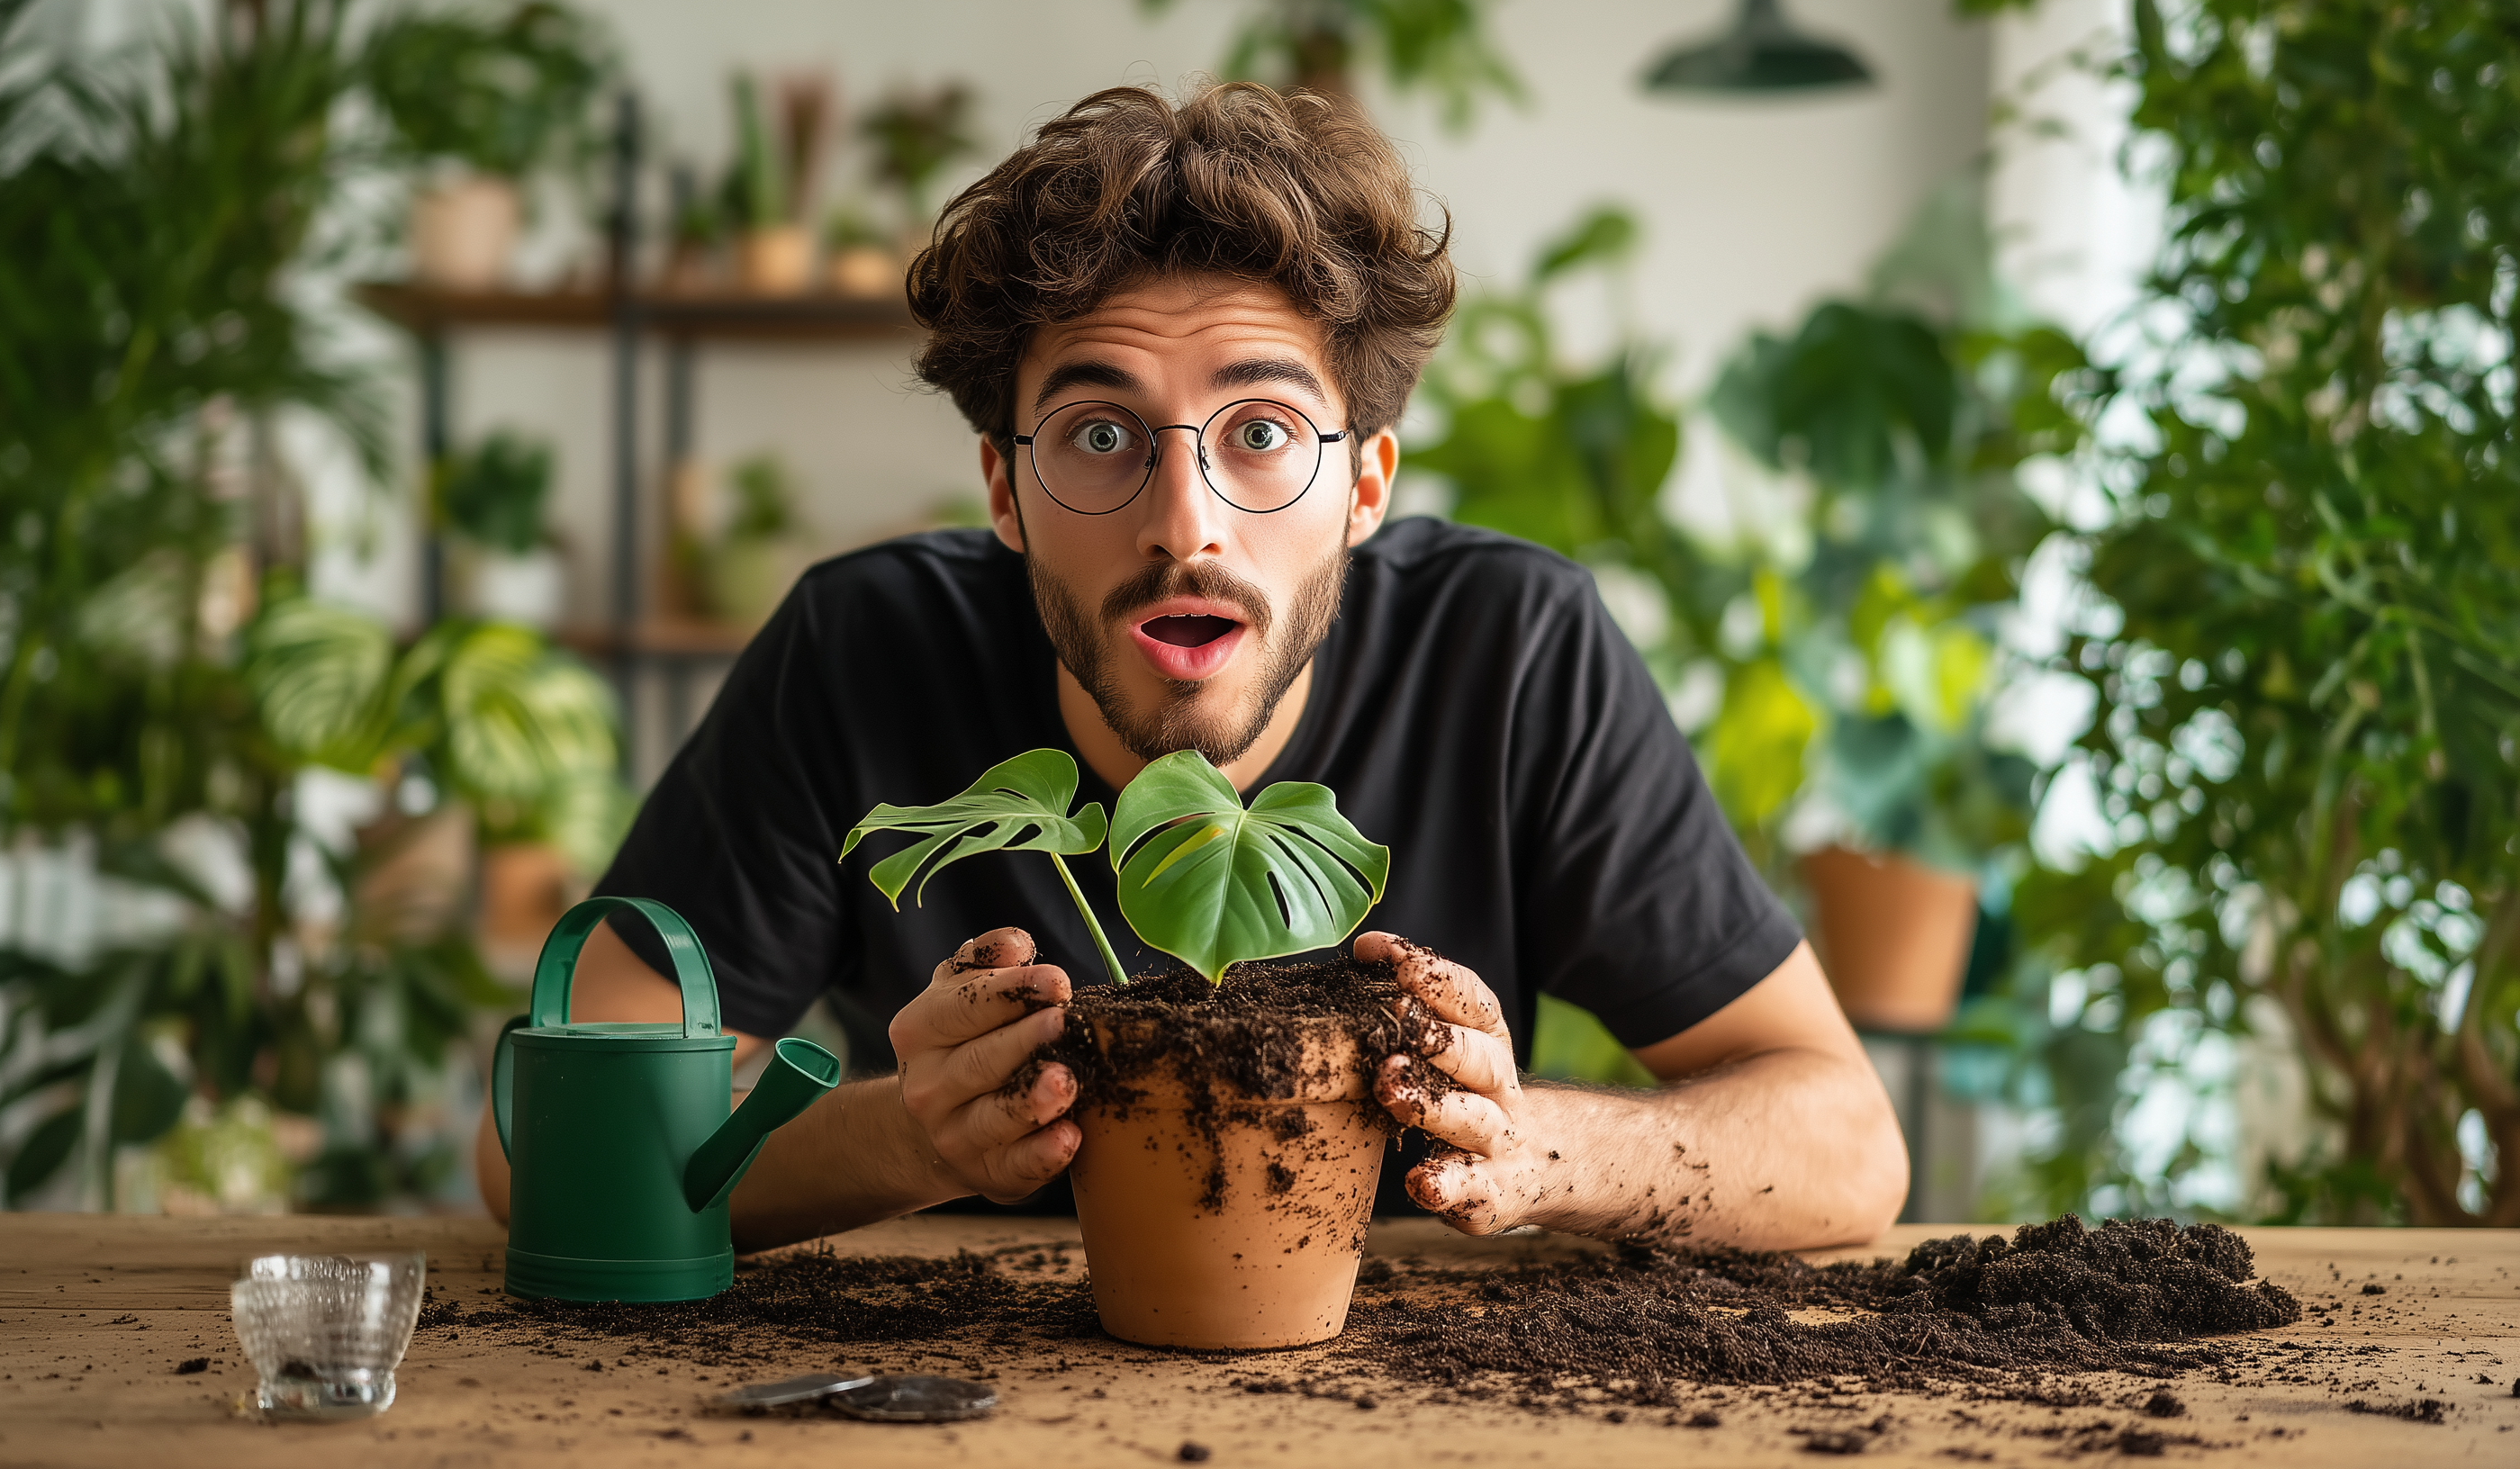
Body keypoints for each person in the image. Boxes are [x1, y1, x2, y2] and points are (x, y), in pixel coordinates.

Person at [475, 82, 1907, 1251]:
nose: (1185, 524)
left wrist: (1544, 1145)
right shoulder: (863, 651)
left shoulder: (1515, 654)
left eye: (1263, 433)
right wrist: (903, 1133)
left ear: (1365, 486)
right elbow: (531, 1152)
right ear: (1002, 487)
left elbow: (1848, 1140)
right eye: (1101, 435)